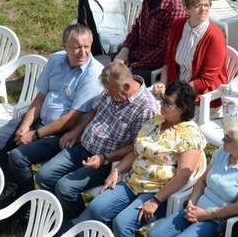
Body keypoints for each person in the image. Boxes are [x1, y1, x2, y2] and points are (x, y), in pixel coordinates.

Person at [69, 80, 206, 237]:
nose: (162, 104)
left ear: (182, 108)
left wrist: (155, 200)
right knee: (96, 207)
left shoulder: (188, 134)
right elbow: (137, 150)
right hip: (133, 182)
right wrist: (118, 170)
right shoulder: (157, 121)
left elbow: (183, 175)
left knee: (124, 222)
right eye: (163, 99)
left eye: (168, 102)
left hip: (160, 192)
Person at [0, 24, 104, 206]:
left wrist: (35, 135)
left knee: (18, 157)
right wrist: (25, 125)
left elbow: (73, 117)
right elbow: (39, 98)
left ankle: (28, 204)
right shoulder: (56, 60)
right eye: (77, 47)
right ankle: (8, 188)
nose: (83, 52)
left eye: (87, 47)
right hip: (38, 120)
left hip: (61, 133)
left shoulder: (93, 73)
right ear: (64, 46)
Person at [35, 61, 158, 220]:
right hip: (82, 147)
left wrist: (104, 158)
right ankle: (60, 214)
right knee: (43, 176)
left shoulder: (146, 108)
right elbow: (95, 109)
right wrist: (77, 131)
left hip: (107, 161)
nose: (109, 94)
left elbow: (136, 147)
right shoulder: (112, 88)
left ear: (126, 86)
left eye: (112, 91)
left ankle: (79, 224)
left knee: (65, 187)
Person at [147, 119, 238, 237]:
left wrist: (206, 215)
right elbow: (202, 181)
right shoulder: (222, 152)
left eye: (228, 139)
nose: (223, 140)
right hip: (195, 210)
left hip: (215, 220)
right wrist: (191, 202)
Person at [151, 0, 228, 109]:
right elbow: (168, 59)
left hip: (201, 96)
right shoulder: (178, 25)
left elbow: (206, 80)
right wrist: (163, 83)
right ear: (186, 9)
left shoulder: (215, 37)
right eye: (198, 6)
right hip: (176, 88)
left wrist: (176, 94)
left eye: (206, 5)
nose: (203, 9)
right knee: (148, 106)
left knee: (163, 116)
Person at [113, 0, 186, 85]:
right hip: (136, 55)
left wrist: (134, 66)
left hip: (150, 66)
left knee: (117, 83)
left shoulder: (174, 9)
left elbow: (164, 51)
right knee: (101, 70)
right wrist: (125, 50)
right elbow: (137, 27)